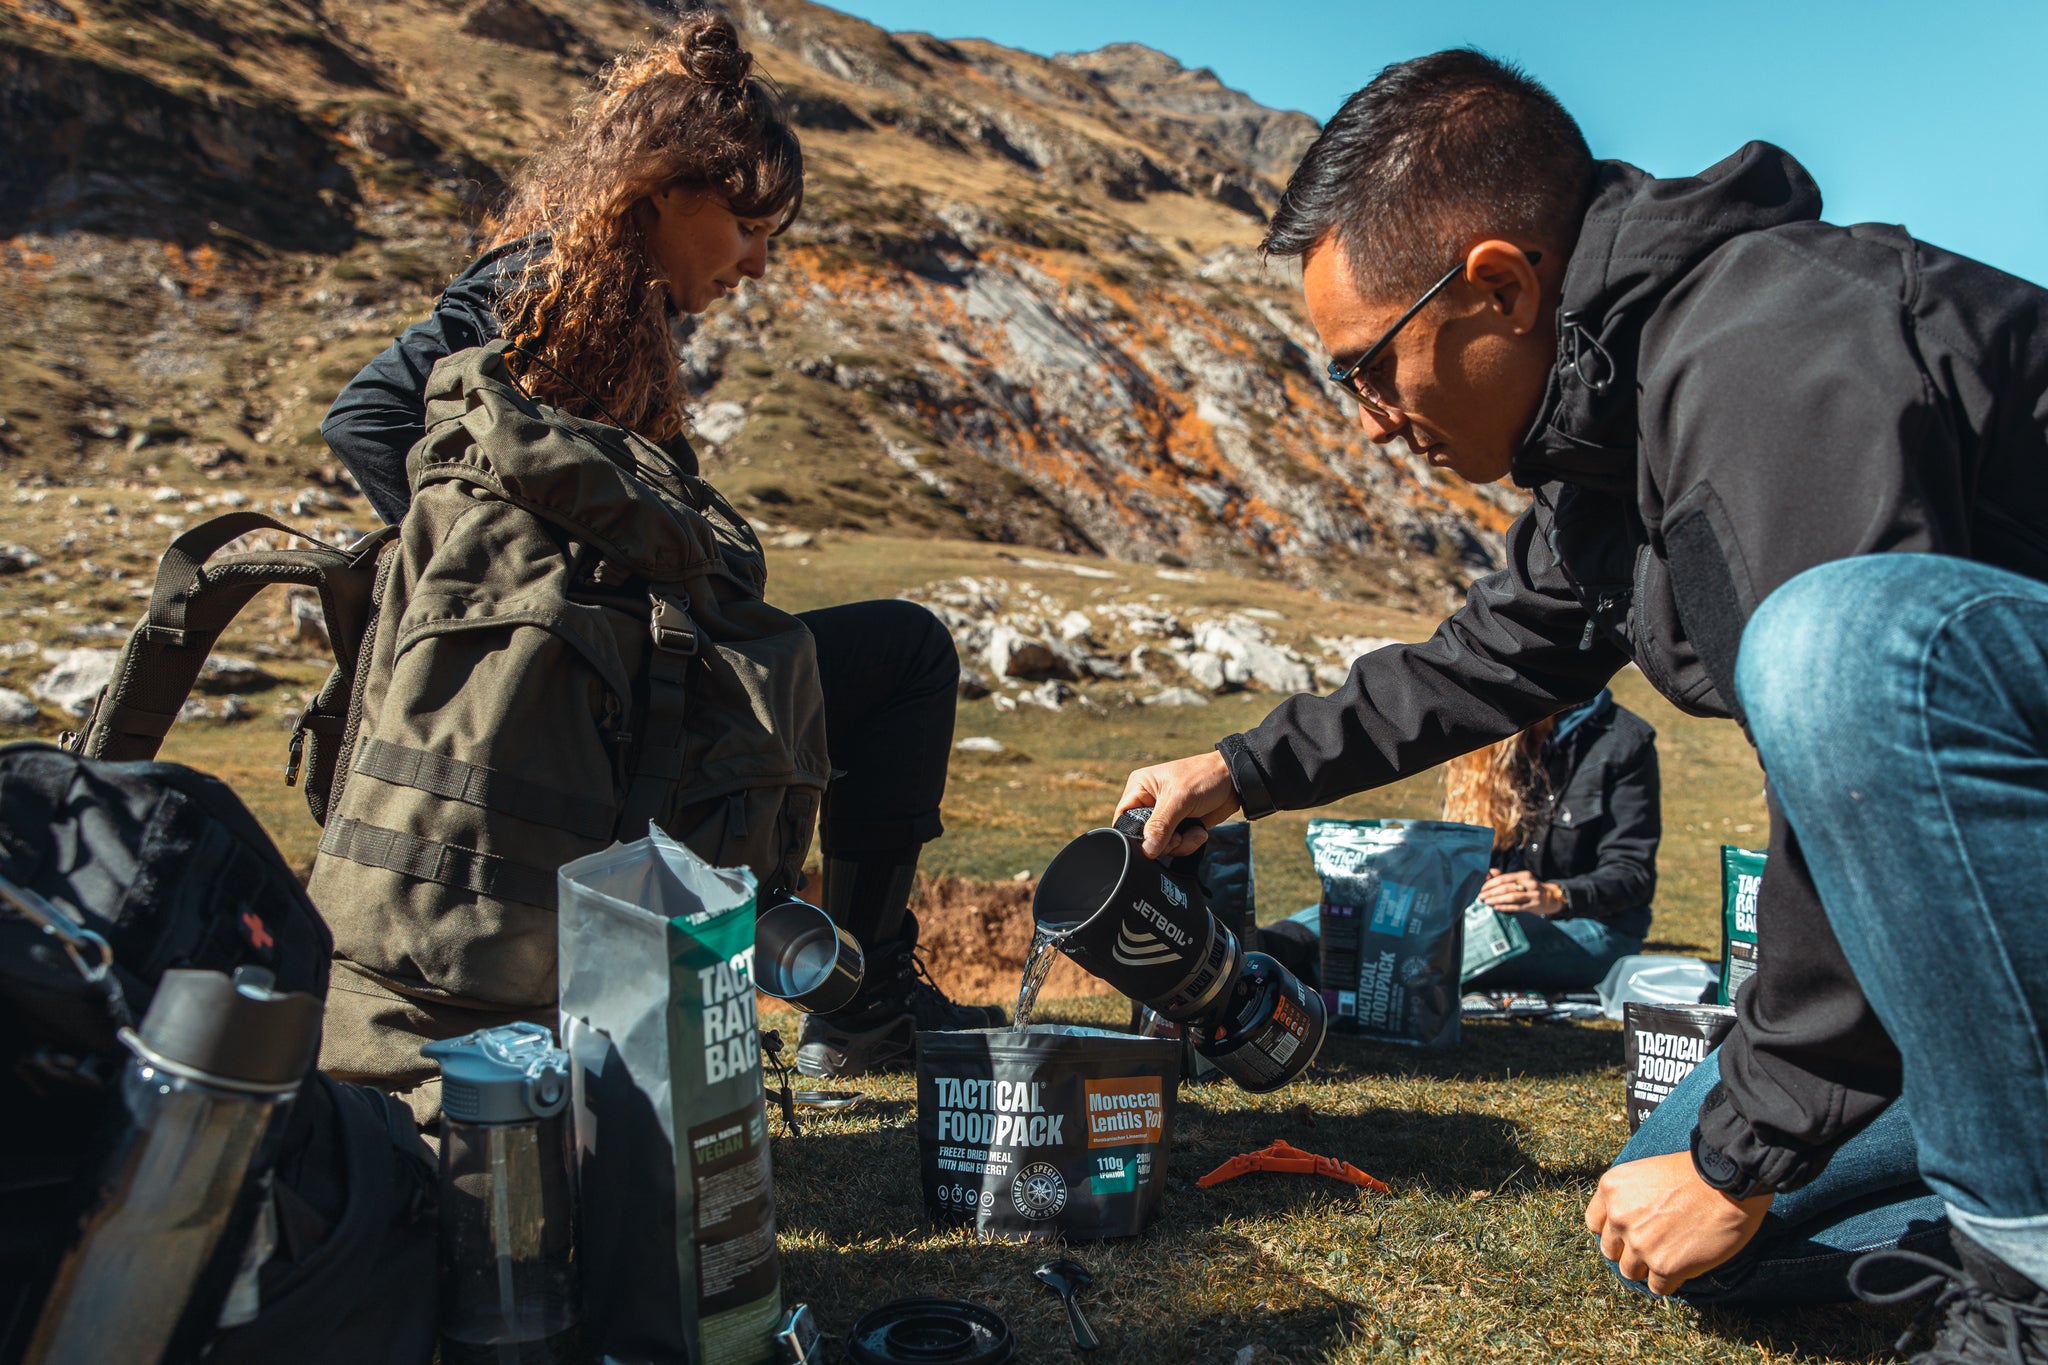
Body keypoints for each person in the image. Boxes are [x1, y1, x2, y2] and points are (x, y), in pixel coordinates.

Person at [1116, 47, 2048, 1354]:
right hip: (1999, 922)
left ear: (1496, 284)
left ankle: (2026, 1281)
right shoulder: (1610, 447)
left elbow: (1852, 755)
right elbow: (1486, 660)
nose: (1374, 421)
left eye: (1369, 368)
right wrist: (1236, 768)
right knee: (1653, 1222)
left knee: (1836, 649)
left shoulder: (1766, 359)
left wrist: (1752, 1149)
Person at [321, 13, 1001, 1080]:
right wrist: (498, 591)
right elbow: (368, 418)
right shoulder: (532, 287)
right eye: (744, 226)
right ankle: (861, 1010)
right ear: (667, 189)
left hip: (637, 677)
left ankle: (861, 1001)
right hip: (581, 699)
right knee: (902, 657)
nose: (758, 261)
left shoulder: (615, 308)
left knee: (898, 654)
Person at [1450, 689, 1658, 993]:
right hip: (1497, 916)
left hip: (1594, 926)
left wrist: (1554, 895)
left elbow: (1633, 874)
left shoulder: (1624, 741)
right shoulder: (1492, 732)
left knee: (1441, 953)